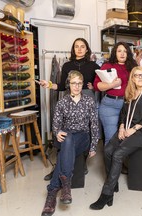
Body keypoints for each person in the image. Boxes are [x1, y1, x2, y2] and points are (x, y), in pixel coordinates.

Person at [90, 66, 142, 210]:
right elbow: (123, 113)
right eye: (136, 76)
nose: (139, 78)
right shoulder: (130, 93)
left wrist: (132, 130)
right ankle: (113, 184)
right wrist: (121, 127)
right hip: (126, 128)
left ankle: (107, 193)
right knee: (108, 150)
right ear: (132, 78)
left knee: (118, 153)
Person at [39, 38, 100, 178]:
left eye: (82, 46)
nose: (79, 49)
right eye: (76, 46)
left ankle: (81, 163)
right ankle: (57, 170)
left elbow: (103, 82)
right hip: (70, 99)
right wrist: (48, 84)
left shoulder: (94, 65)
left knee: (87, 131)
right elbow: (61, 86)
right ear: (73, 49)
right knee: (65, 134)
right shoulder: (66, 65)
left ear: (86, 49)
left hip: (87, 99)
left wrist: (94, 86)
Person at [41, 71, 99, 216]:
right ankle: (65, 186)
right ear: (69, 84)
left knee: (67, 145)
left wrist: (93, 146)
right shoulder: (62, 103)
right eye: (74, 83)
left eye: (79, 83)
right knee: (67, 139)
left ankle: (52, 192)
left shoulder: (89, 101)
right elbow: (56, 125)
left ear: (82, 84)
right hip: (66, 137)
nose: (77, 86)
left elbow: (94, 125)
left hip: (83, 137)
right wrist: (57, 132)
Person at [93, 42, 137, 146]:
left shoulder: (133, 67)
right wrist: (112, 84)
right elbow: (96, 86)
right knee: (112, 139)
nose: (122, 54)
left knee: (127, 138)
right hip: (110, 105)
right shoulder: (107, 65)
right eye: (119, 51)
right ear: (115, 53)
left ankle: (120, 162)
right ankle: (111, 162)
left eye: (125, 51)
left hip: (128, 105)